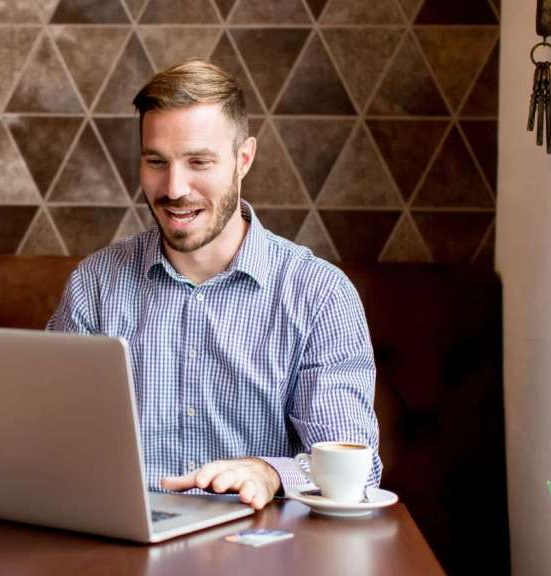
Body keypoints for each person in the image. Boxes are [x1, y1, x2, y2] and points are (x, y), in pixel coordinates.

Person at [47, 59, 381, 510]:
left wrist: (269, 473)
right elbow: (51, 438)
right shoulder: (95, 285)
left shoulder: (318, 294)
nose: (174, 187)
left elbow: (353, 468)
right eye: (155, 162)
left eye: (199, 161)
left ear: (244, 159)